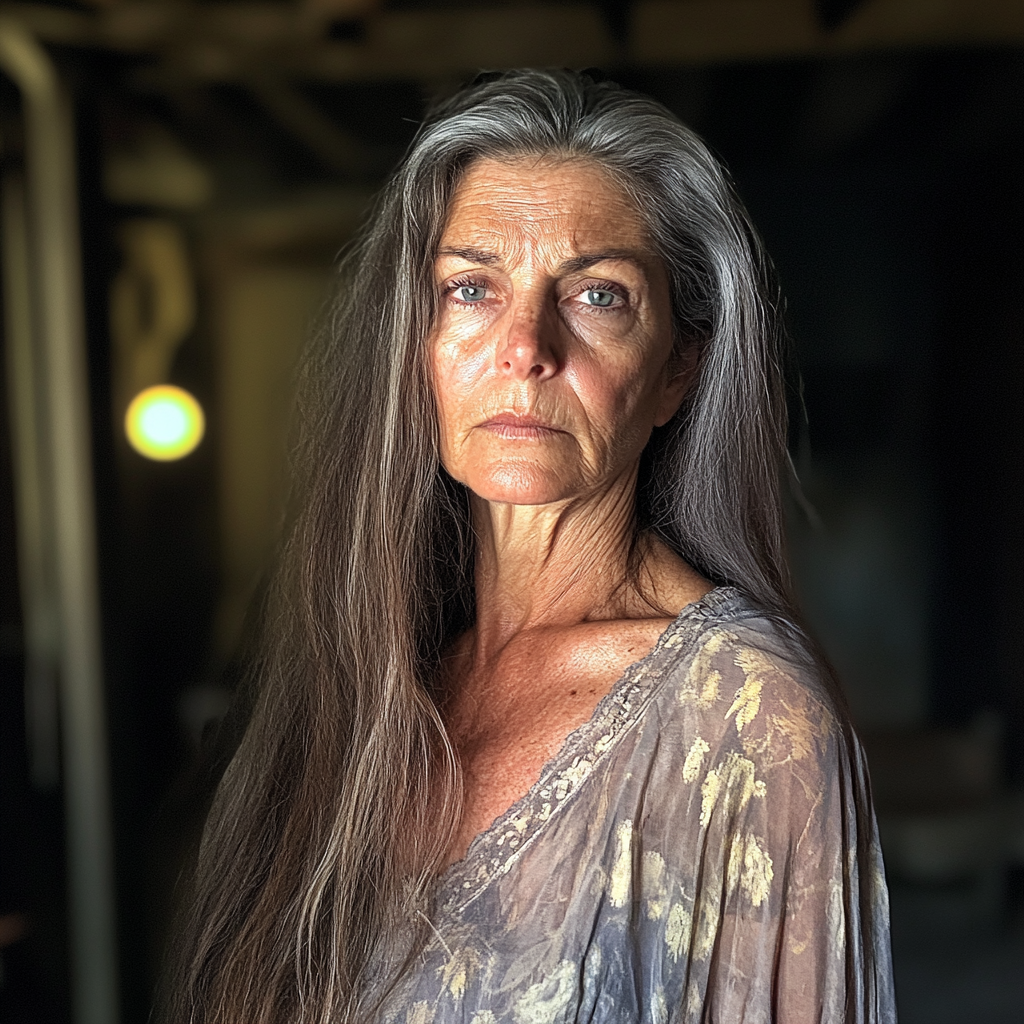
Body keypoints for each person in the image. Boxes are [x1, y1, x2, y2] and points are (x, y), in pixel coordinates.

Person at [166, 69, 895, 1023]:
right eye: (471, 288)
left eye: (596, 295)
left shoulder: (748, 718)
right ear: (411, 342)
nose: (525, 346)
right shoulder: (363, 666)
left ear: (678, 368)